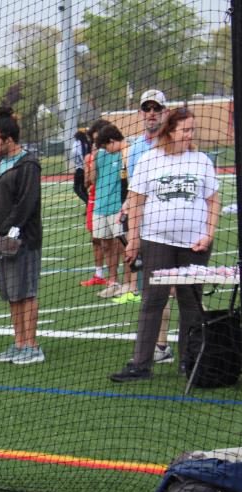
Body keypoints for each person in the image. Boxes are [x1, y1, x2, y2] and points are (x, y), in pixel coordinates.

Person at [110, 108, 219, 382]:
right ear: (170, 131)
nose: (189, 135)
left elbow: (213, 200)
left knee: (191, 302)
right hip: (157, 241)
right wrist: (133, 239)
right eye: (185, 130)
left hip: (194, 244)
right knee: (153, 301)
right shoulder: (150, 159)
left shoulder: (201, 161)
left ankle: (189, 362)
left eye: (192, 130)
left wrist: (208, 234)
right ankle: (140, 364)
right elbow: (136, 202)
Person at [0, 107, 44, 365]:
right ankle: (19, 343)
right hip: (4, 240)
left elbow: (25, 205)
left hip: (24, 239)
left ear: (9, 139)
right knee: (12, 293)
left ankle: (32, 345)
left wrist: (3, 231)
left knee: (26, 292)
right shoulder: (0, 164)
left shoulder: (28, 164)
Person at [124, 89, 177, 363]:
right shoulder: (135, 149)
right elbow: (135, 191)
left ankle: (202, 340)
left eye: (157, 108)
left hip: (177, 228)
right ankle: (161, 346)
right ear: (141, 113)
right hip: (149, 230)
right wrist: (127, 209)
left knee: (184, 289)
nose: (152, 113)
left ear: (165, 112)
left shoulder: (176, 143)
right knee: (155, 291)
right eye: (147, 108)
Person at [84, 123, 131, 300]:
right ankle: (113, 282)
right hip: (100, 207)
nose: (103, 149)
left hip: (118, 207)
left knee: (124, 246)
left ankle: (127, 283)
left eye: (104, 145)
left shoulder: (125, 153)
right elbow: (92, 180)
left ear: (111, 141)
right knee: (106, 245)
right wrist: (93, 160)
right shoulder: (100, 155)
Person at [79, 119, 113, 288]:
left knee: (113, 242)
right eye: (93, 140)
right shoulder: (90, 157)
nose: (96, 144)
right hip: (94, 201)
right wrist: (91, 163)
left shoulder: (116, 154)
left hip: (111, 201)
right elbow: (87, 182)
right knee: (96, 239)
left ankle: (116, 277)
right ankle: (99, 274)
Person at [72, 130, 91, 205]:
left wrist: (78, 163)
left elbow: (75, 153)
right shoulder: (87, 143)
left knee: (76, 189)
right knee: (84, 189)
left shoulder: (77, 143)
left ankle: (88, 203)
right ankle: (89, 205)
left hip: (80, 169)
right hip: (87, 169)